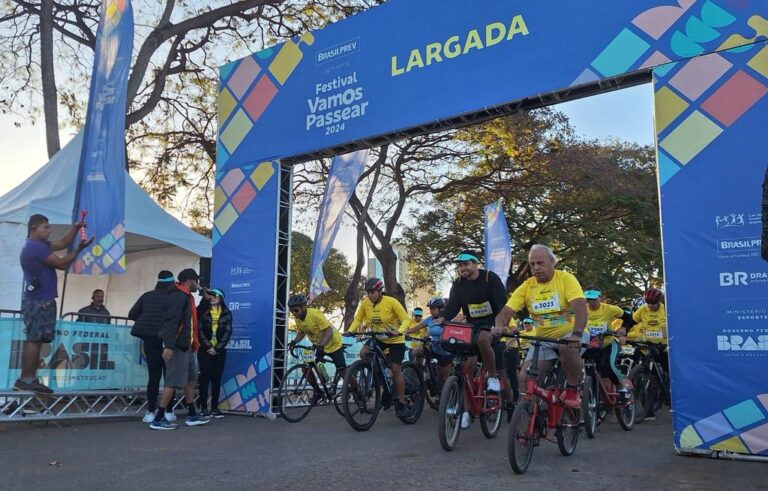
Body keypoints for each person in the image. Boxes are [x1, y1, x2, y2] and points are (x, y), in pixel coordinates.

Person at [494, 245, 589, 410]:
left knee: (566, 348)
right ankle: (533, 415)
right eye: (532, 264)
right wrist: (499, 326)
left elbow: (581, 308)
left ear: (553, 263)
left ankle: (573, 389)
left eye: (540, 263)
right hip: (543, 339)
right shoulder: (527, 286)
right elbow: (505, 313)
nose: (536, 268)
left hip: (571, 335)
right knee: (525, 377)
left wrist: (577, 334)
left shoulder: (566, 279)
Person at [15, 214, 92, 394]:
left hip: (40, 299)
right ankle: (26, 379)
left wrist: (75, 228)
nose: (49, 231)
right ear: (34, 228)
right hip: (39, 300)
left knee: (37, 339)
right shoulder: (36, 248)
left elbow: (63, 243)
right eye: (46, 227)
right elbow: (62, 263)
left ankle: (28, 378)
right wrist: (79, 248)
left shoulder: (39, 245)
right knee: (34, 340)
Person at [440, 250, 510, 429]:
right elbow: (452, 307)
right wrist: (441, 318)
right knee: (465, 369)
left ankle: (493, 378)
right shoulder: (458, 284)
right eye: (460, 265)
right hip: (471, 326)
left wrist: (500, 325)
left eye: (466, 264)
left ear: (475, 264)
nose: (462, 268)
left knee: (483, 341)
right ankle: (467, 411)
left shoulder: (490, 278)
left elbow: (502, 303)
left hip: (492, 324)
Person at [150, 268, 209, 430]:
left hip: (186, 345)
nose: (198, 284)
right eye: (196, 280)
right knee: (172, 382)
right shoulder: (178, 296)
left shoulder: (186, 297)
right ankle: (158, 418)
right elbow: (171, 321)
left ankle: (191, 414)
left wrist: (205, 300)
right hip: (177, 345)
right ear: (190, 281)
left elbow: (192, 317)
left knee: (190, 380)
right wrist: (169, 346)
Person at [345, 278, 411, 418]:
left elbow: (406, 319)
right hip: (379, 338)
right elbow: (358, 318)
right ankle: (375, 374)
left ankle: (401, 402)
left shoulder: (391, 302)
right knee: (363, 353)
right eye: (368, 292)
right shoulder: (366, 303)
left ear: (380, 291)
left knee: (395, 370)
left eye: (373, 292)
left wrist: (399, 331)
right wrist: (351, 330)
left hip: (394, 339)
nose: (370, 295)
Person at [129, 270, 179, 423]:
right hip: (168, 341)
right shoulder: (174, 297)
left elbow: (132, 314)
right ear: (172, 283)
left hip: (150, 339)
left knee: (154, 376)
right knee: (169, 377)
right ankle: (169, 411)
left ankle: (150, 412)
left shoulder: (147, 296)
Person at [287, 294, 347, 403]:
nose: (294, 313)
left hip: (333, 344)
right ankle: (318, 392)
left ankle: (357, 389)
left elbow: (329, 330)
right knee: (306, 367)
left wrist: (321, 346)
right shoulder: (298, 319)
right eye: (292, 312)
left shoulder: (315, 314)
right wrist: (294, 341)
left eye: (296, 310)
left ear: (304, 307)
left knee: (342, 372)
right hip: (318, 344)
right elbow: (301, 333)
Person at [584, 286, 633, 399]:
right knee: (588, 370)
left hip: (607, 344)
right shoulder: (582, 309)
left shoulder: (610, 309)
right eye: (588, 299)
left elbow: (629, 318)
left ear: (600, 298)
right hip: (589, 345)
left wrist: (624, 328)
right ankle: (592, 394)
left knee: (607, 366)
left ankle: (621, 387)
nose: (591, 302)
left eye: (594, 299)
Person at [630, 287, 668, 420]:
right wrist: (624, 330)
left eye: (653, 303)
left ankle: (668, 394)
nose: (651, 306)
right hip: (646, 345)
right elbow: (632, 321)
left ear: (659, 301)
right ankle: (648, 410)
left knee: (668, 371)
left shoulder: (667, 311)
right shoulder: (643, 310)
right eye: (648, 303)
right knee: (649, 375)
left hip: (663, 346)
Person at [197, 288, 233, 418]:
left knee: (216, 379)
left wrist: (217, 348)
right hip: (204, 350)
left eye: (215, 296)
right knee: (204, 379)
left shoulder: (227, 313)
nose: (212, 298)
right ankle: (203, 408)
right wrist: (208, 347)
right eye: (211, 296)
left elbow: (227, 333)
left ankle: (214, 408)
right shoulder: (203, 312)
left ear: (221, 299)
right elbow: (199, 331)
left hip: (219, 351)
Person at [405, 297, 453, 388]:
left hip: (445, 352)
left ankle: (442, 397)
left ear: (441, 308)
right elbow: (416, 328)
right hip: (433, 348)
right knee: (415, 352)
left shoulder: (447, 320)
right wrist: (404, 332)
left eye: (434, 309)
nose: (431, 311)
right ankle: (417, 375)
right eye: (430, 309)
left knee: (443, 380)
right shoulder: (429, 320)